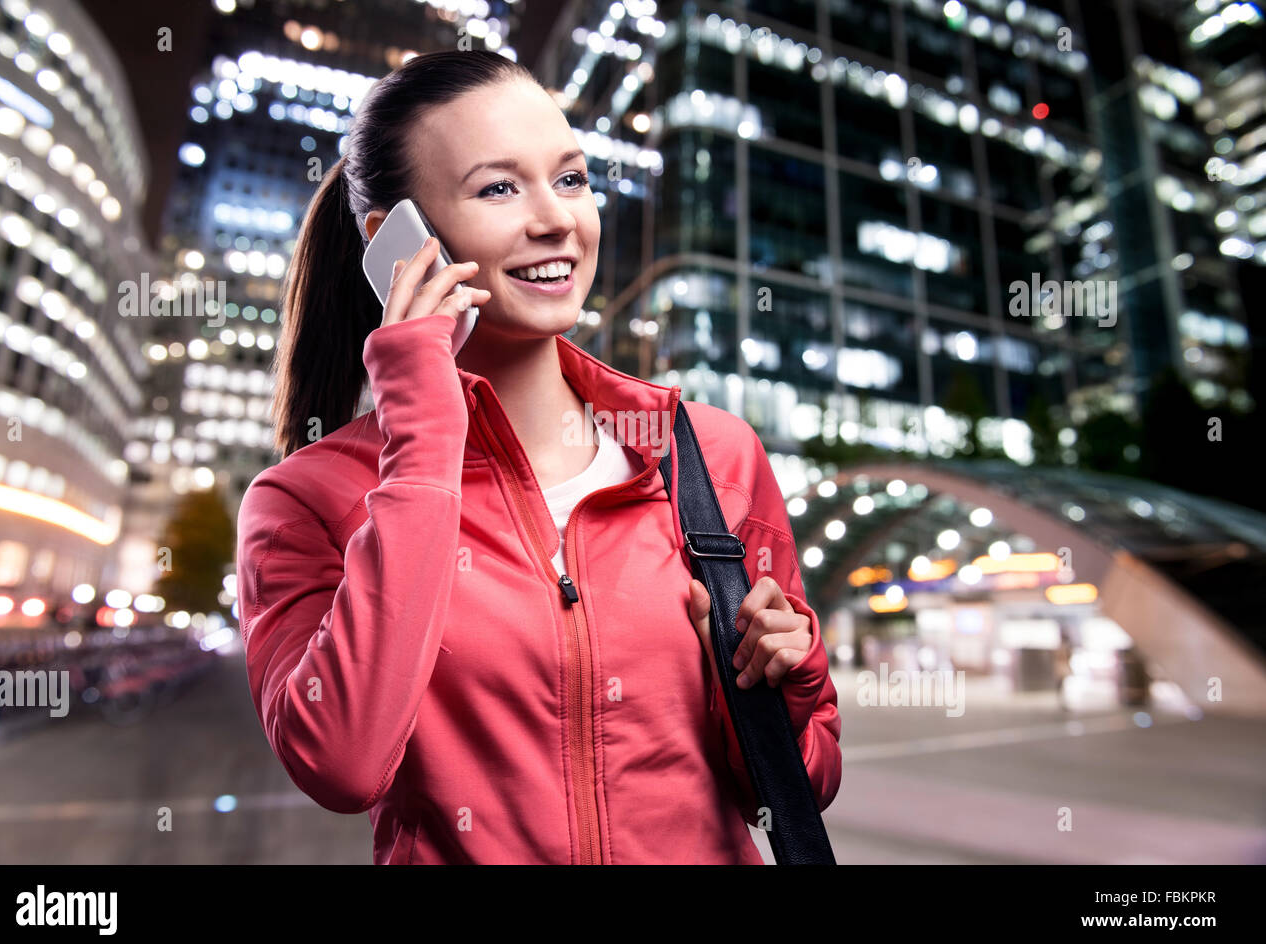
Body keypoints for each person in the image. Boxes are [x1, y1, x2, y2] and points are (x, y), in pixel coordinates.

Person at [236, 50, 842, 865]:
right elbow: (340, 761)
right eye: (498, 187)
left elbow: (801, 783)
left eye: (571, 179)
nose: (557, 219)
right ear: (395, 241)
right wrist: (420, 437)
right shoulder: (305, 499)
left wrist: (788, 688)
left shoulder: (710, 455)